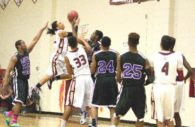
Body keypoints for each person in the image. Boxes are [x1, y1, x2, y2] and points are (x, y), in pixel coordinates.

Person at [0, 22, 48, 127]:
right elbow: (8, 71)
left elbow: (35, 39)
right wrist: (4, 86)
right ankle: (14, 122)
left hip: (25, 80)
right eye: (23, 43)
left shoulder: (26, 52)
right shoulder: (15, 57)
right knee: (19, 101)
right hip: (18, 80)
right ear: (18, 46)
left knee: (22, 102)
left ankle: (8, 114)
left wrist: (42, 28)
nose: (25, 44)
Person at [111, 33, 153, 127]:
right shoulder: (144, 58)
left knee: (117, 114)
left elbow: (118, 77)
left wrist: (122, 82)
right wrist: (146, 80)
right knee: (140, 118)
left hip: (127, 89)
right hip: (139, 90)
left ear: (128, 42)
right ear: (138, 42)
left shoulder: (121, 56)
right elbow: (150, 75)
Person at [33, 19, 79, 91]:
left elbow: (75, 38)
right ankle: (35, 88)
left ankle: (52, 79)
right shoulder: (60, 32)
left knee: (71, 74)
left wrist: (74, 26)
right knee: (50, 74)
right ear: (57, 27)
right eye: (60, 23)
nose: (62, 23)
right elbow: (74, 34)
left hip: (63, 58)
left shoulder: (62, 35)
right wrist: (74, 25)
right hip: (57, 58)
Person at [150, 35, 184, 127]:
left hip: (158, 87)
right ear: (170, 46)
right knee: (169, 119)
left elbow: (151, 75)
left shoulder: (154, 56)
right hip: (171, 88)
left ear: (160, 44)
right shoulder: (177, 57)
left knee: (160, 120)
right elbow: (181, 77)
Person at [60, 36, 94, 127]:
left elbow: (70, 73)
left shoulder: (67, 56)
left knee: (69, 104)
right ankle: (94, 124)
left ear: (68, 45)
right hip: (88, 78)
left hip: (79, 79)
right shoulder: (82, 49)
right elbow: (90, 49)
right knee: (89, 104)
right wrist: (82, 39)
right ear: (77, 42)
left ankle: (62, 125)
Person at [90, 36, 119, 127]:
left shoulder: (96, 54)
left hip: (100, 80)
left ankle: (94, 124)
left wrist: (91, 66)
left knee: (94, 104)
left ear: (101, 44)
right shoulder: (116, 53)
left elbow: (93, 71)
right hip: (111, 79)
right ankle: (112, 125)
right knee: (112, 105)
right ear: (110, 44)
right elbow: (118, 68)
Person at [79, 30, 103, 125]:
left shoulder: (98, 45)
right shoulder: (88, 41)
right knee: (82, 94)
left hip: (93, 74)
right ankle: (83, 113)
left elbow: (89, 51)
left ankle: (92, 119)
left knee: (91, 97)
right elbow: (77, 39)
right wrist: (75, 28)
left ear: (96, 36)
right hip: (84, 72)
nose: (91, 34)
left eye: (93, 33)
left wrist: (82, 40)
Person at [169, 39, 192, 127]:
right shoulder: (180, 54)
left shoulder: (164, 56)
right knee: (176, 113)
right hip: (180, 85)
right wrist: (184, 78)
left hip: (170, 85)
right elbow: (190, 70)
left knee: (165, 114)